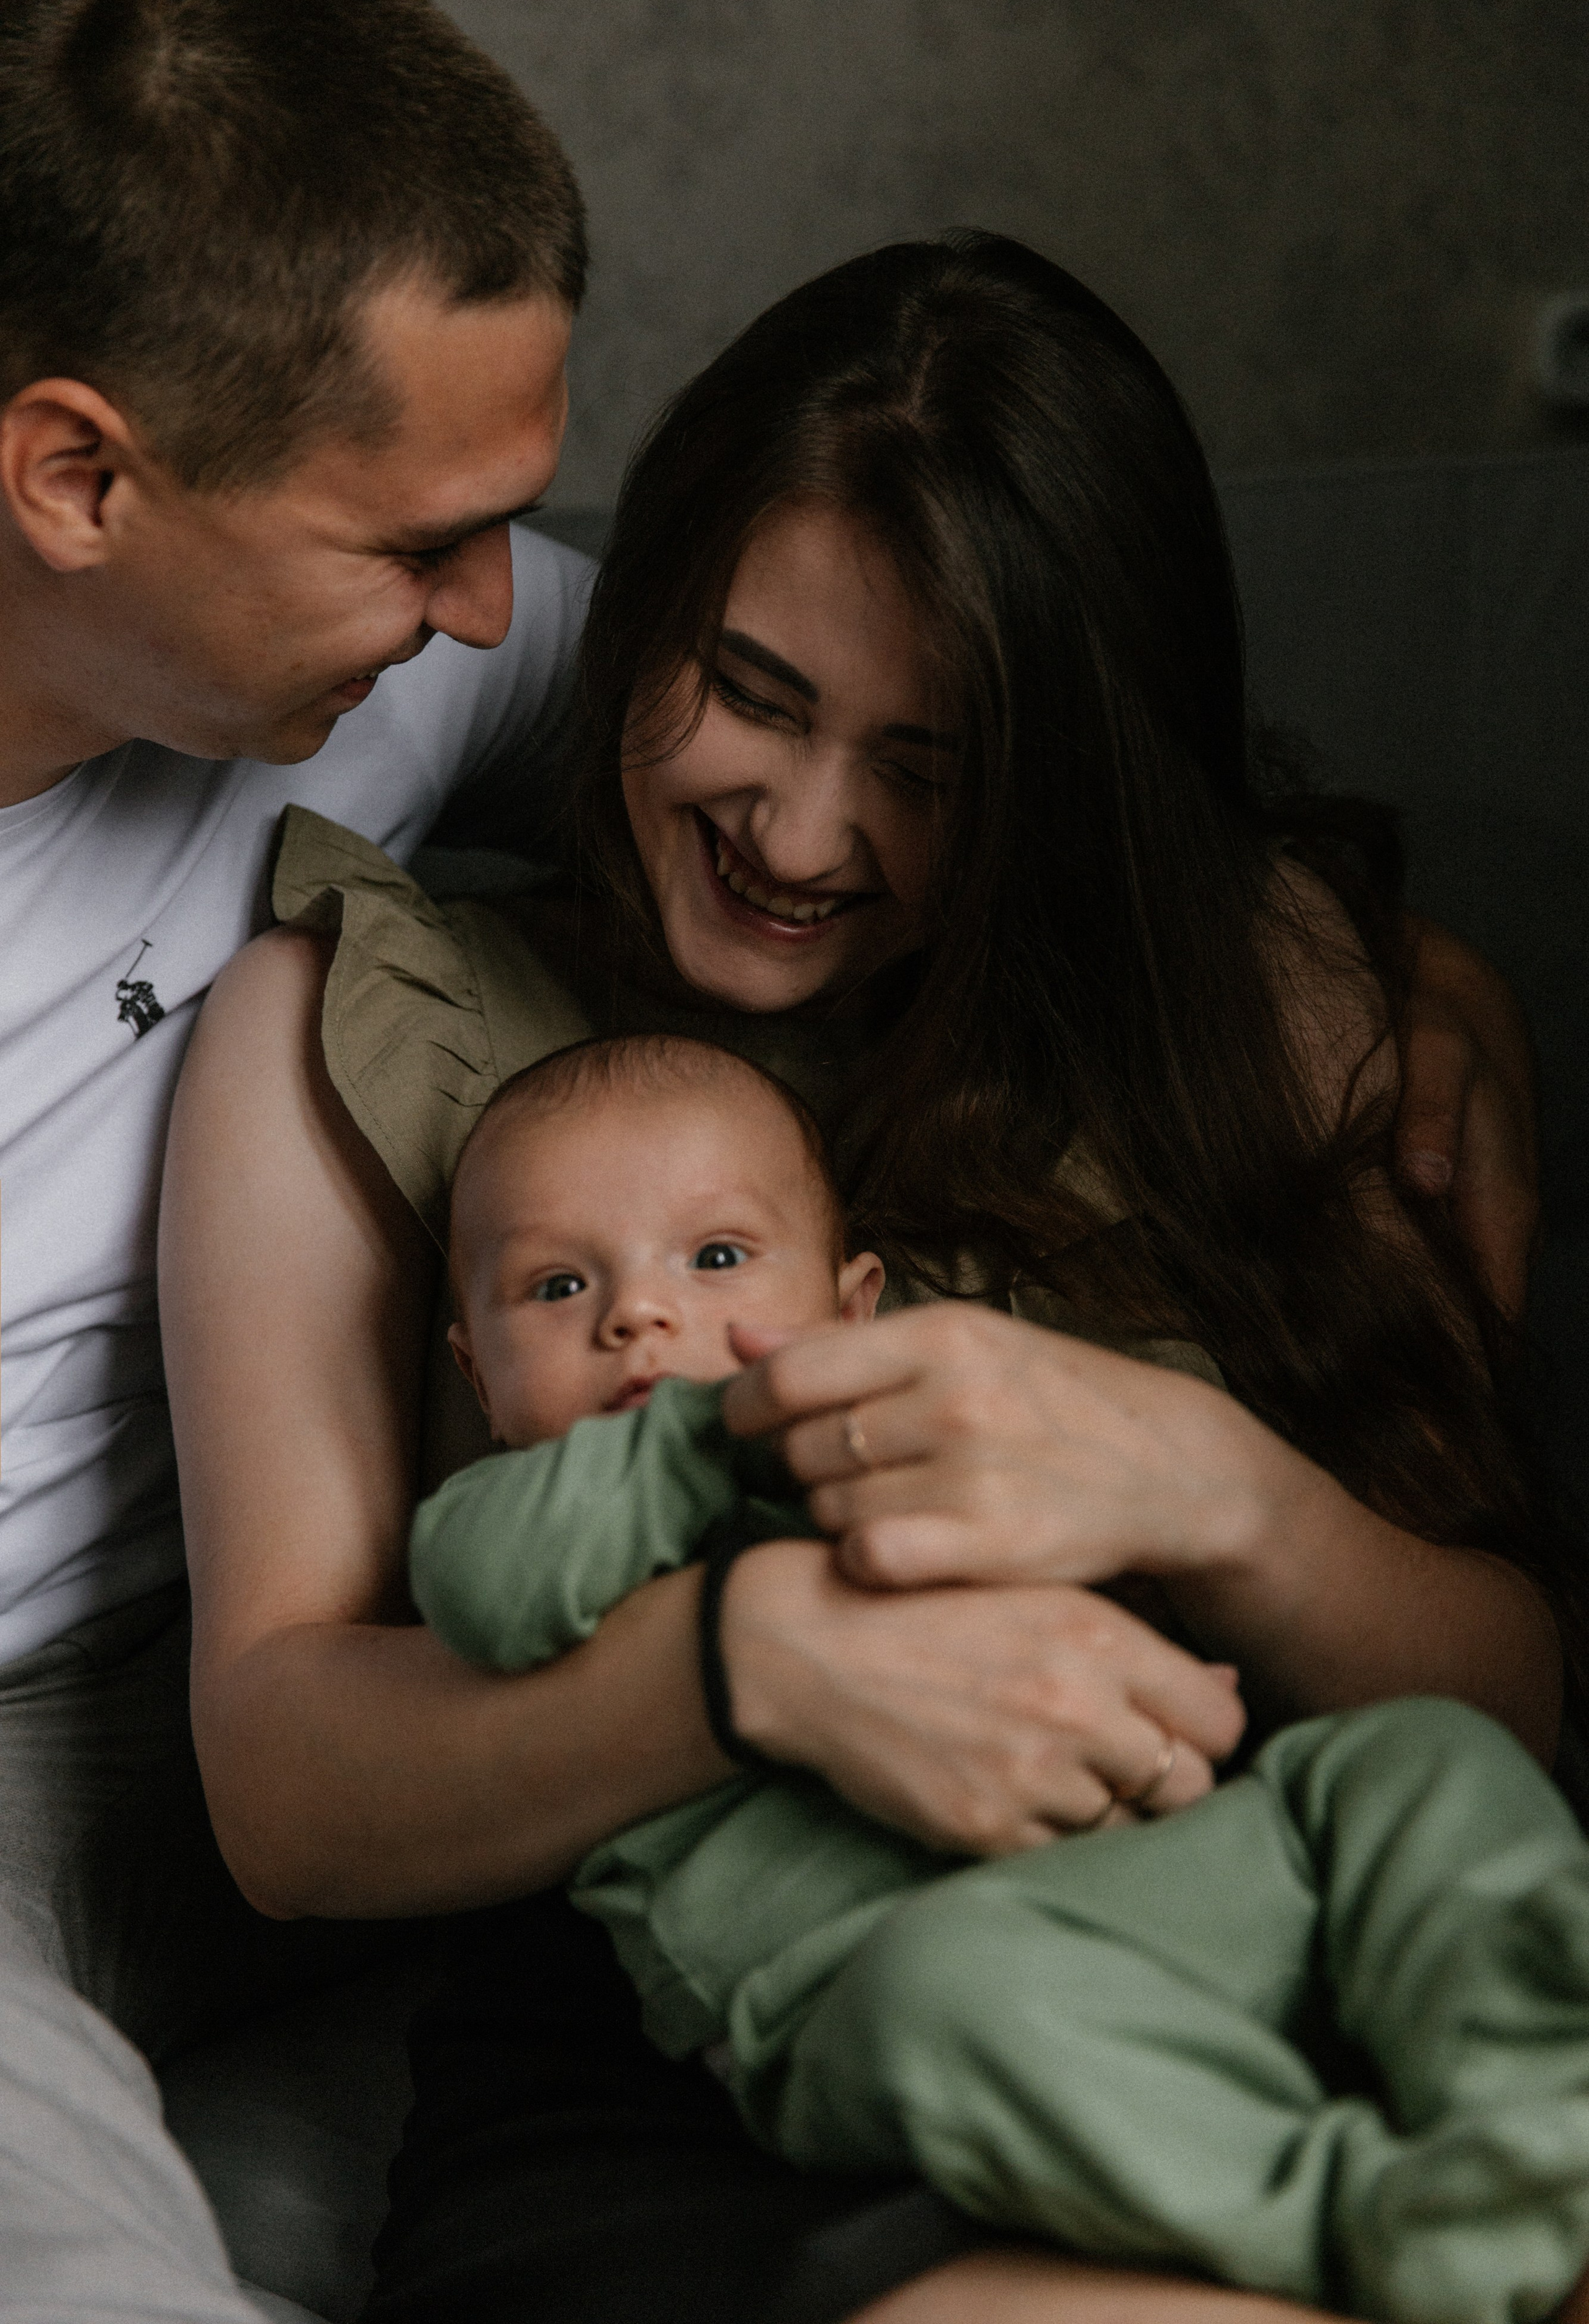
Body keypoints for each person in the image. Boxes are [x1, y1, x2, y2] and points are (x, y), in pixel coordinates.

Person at [161, 231, 1568, 2324]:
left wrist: (1216, 1489)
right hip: (726, 2066)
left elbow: (1515, 1718)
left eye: (928, 770)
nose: (804, 836)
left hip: (1272, 1935)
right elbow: (283, 1794)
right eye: (752, 692)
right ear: (642, 609)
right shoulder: (357, 1027)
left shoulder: (1241, 1006)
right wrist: (747, 1659)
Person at [413, 1030, 1589, 2324]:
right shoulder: (510, 1525)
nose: (639, 1315)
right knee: (947, 1998)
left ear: (854, 1308)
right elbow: (481, 1589)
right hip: (906, 1985)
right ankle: (1378, 2219)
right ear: (476, 1370)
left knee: (1412, 1760)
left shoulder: (922, 1431)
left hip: (1196, 1860)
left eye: (715, 1260)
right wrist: (719, 1420)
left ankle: (1524, 2108)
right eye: (556, 1288)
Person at [0, 0, 590, 2311]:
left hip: (341, 1635)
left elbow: (861, 736)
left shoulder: (397, 646)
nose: (483, 615)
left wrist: (1330, 932)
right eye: (411, 541)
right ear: (75, 476)